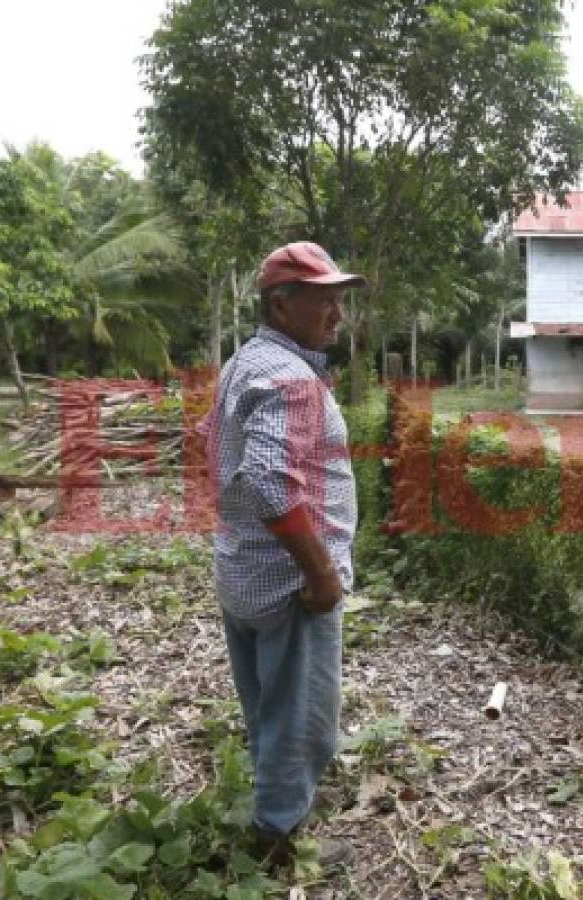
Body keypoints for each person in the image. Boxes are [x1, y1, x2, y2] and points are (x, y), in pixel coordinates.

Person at [204, 241, 364, 869]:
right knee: (303, 723)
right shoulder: (293, 379)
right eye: (324, 299)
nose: (337, 314)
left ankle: (274, 802)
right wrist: (320, 572)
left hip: (244, 570)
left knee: (268, 703)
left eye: (339, 299)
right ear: (281, 303)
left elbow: (221, 454)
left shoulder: (244, 363)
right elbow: (270, 479)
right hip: (290, 585)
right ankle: (277, 840)